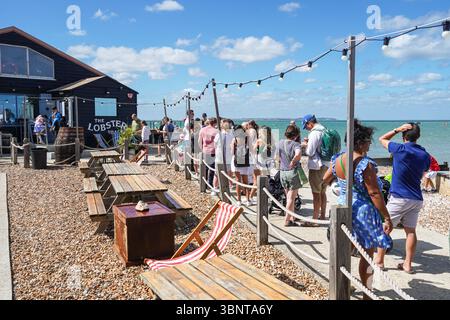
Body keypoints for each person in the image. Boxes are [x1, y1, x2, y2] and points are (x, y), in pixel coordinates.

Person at [323, 120, 393, 299]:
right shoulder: (364, 164)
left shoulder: (338, 158)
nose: (370, 144)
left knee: (343, 250)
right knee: (367, 255)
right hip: (362, 212)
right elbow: (375, 193)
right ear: (361, 142)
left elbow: (325, 178)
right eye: (369, 141)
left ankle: (342, 286)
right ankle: (367, 293)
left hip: (343, 208)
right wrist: (387, 217)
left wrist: (344, 186)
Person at [376, 123, 430, 274]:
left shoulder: (400, 149)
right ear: (417, 137)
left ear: (403, 136)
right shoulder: (424, 154)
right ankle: (408, 264)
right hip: (416, 198)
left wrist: (396, 129)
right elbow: (424, 171)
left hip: (399, 196)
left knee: (385, 228)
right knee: (411, 231)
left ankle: (379, 262)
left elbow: (382, 139)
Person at [275, 125, 305, 227]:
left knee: (288, 197)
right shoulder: (296, 144)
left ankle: (292, 217)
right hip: (292, 172)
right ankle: (287, 220)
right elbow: (298, 154)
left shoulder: (280, 143)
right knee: (291, 199)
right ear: (296, 136)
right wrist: (293, 161)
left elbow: (277, 157)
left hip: (283, 172)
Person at [301, 114, 329, 220]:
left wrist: (305, 145)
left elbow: (310, 152)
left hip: (317, 166)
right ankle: (322, 216)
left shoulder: (314, 133)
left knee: (316, 193)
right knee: (323, 191)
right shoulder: (324, 129)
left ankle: (314, 219)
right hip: (327, 164)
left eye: (306, 126)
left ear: (310, 123)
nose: (307, 128)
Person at [231, 125, 252, 206]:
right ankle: (248, 200)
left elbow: (232, 152)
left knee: (238, 181)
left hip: (237, 160)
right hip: (245, 160)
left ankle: (239, 200)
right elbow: (251, 149)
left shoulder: (235, 139)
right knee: (245, 181)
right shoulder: (246, 138)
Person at [214, 119, 234, 192]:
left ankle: (216, 187)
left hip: (222, 156)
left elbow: (215, 145)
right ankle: (229, 186)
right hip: (225, 156)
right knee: (228, 172)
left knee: (218, 173)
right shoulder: (230, 135)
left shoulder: (220, 134)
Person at [199, 118, 218, 191]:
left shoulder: (202, 130)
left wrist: (201, 149)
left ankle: (204, 182)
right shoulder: (216, 131)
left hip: (205, 150)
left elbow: (199, 141)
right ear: (215, 123)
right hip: (213, 151)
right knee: (212, 169)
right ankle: (209, 184)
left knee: (205, 168)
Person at [247, 120, 260, 203]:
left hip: (251, 155)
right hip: (254, 156)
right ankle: (250, 197)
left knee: (254, 178)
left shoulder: (250, 131)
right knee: (256, 178)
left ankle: (249, 197)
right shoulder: (253, 131)